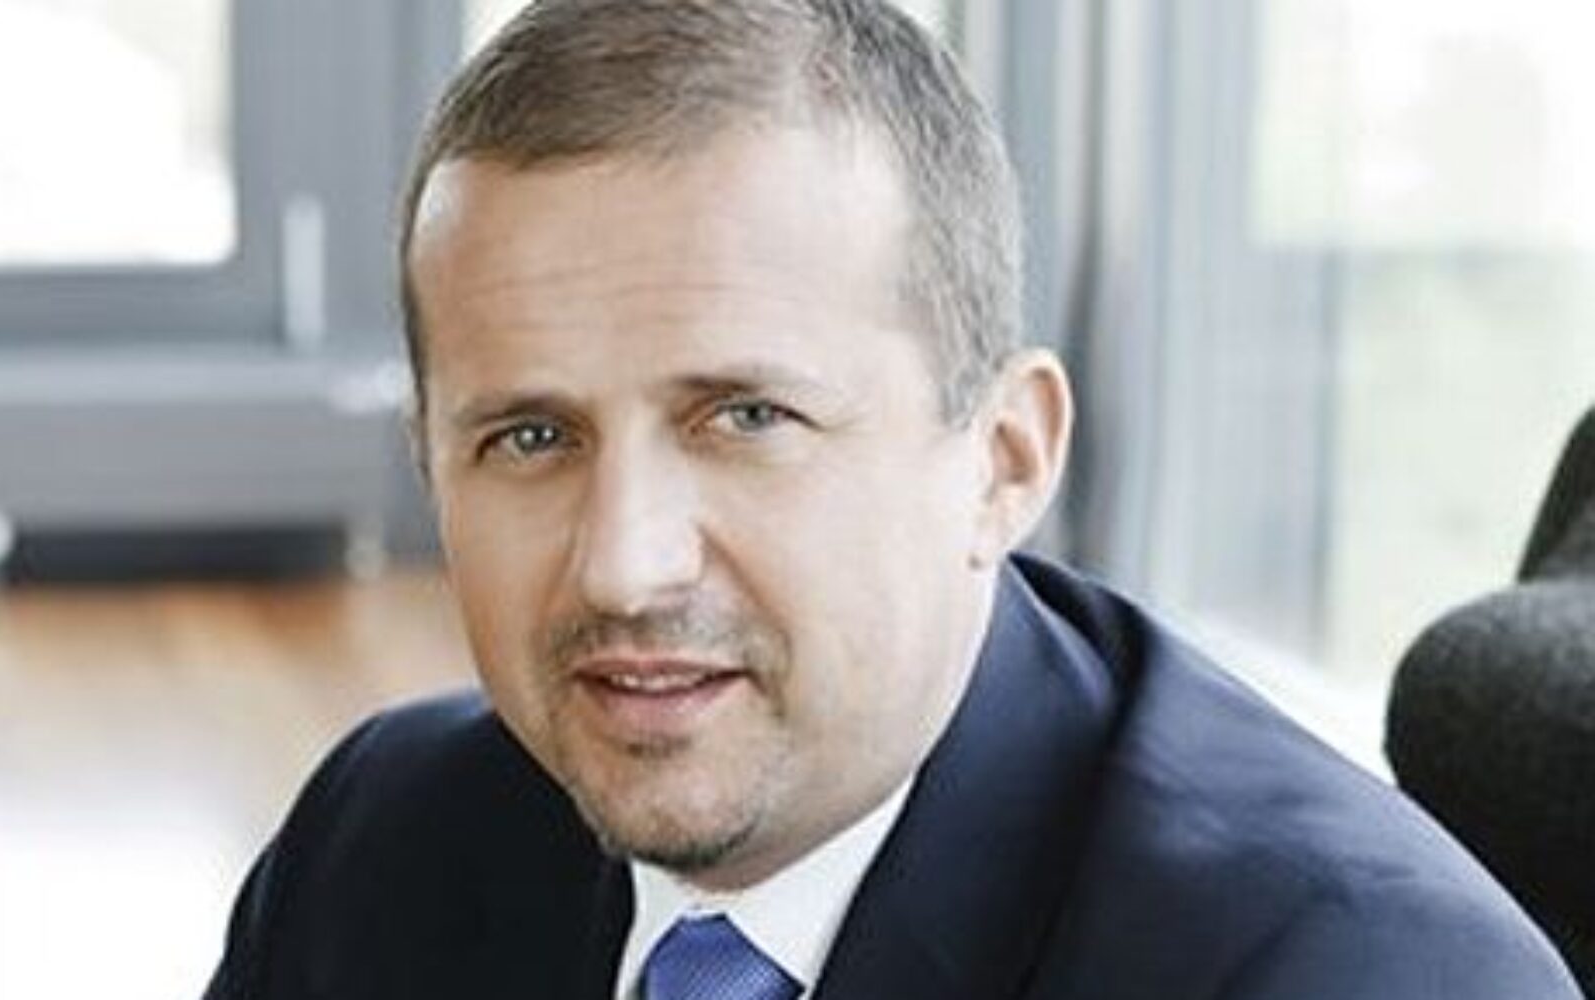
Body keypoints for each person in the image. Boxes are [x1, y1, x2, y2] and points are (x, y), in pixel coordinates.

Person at [206, 1, 1580, 997]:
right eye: (529, 437)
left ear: (1003, 460)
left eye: (747, 418)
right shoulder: (379, 844)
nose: (624, 563)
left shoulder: (1354, 973)